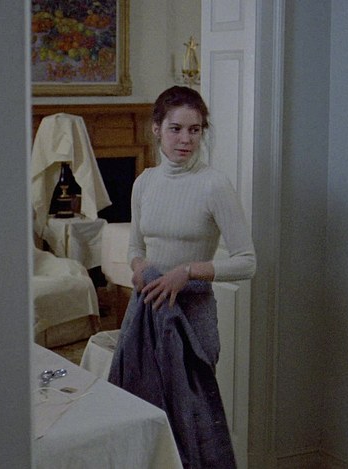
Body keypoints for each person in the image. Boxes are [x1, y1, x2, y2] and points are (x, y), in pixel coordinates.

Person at [108, 86, 256, 469]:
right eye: (176, 129)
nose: (185, 140)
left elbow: (247, 262)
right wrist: (140, 268)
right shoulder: (144, 183)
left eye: (195, 130)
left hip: (193, 318)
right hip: (149, 314)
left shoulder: (214, 185)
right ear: (156, 128)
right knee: (145, 419)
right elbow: (135, 247)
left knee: (194, 429)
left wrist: (187, 272)